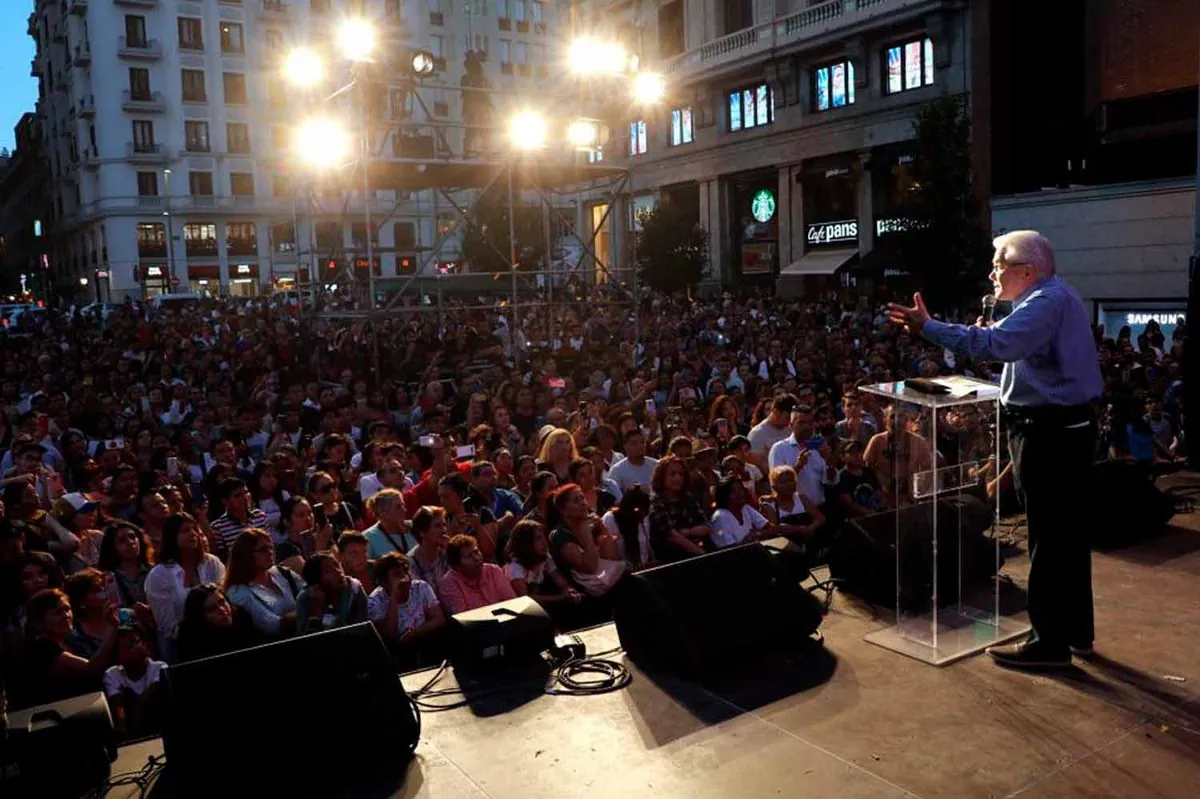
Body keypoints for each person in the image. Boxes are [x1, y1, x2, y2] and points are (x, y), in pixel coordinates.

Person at [888, 230, 1103, 670]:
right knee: (1065, 539)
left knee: (1047, 538)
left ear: (1027, 271)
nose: (992, 273)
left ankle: (1049, 644)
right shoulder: (1050, 298)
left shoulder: (1044, 304)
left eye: (999, 265)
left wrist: (927, 327)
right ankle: (1074, 632)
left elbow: (998, 345)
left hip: (1050, 434)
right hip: (1064, 429)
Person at [145, 513, 225, 657]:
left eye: (195, 529)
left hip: (219, 636)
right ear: (172, 536)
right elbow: (167, 625)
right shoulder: (159, 575)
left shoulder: (211, 563)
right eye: (185, 530)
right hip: (180, 645)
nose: (193, 534)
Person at [223, 528, 301, 640]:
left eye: (271, 547)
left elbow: (309, 592)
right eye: (263, 550)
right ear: (246, 555)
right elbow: (274, 625)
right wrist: (307, 610)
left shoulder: (282, 573)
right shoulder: (238, 592)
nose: (270, 552)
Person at [367, 552, 446, 653]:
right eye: (397, 574)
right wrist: (394, 597)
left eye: (406, 571)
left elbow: (439, 619)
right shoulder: (375, 601)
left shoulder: (421, 587)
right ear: (384, 582)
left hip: (426, 641)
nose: (405, 577)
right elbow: (390, 635)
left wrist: (416, 632)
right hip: (396, 651)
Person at [102, 626, 167, 739]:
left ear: (146, 646)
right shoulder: (112, 674)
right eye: (124, 647)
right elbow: (118, 706)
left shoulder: (160, 667)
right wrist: (122, 724)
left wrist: (136, 712)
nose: (131, 649)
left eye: (134, 643)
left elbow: (152, 692)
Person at [504, 520, 580, 606]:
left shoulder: (544, 559)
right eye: (538, 538)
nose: (544, 542)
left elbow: (561, 582)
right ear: (526, 543)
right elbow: (525, 598)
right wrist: (560, 597)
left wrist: (570, 591)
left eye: (544, 537)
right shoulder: (515, 567)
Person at [175, 584, 259, 662]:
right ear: (199, 615)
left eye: (222, 602)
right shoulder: (191, 639)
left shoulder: (241, 618)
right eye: (212, 609)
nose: (222, 610)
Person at [438, 533, 516, 614]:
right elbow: (464, 618)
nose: (476, 558)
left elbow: (513, 602)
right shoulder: (448, 583)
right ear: (457, 566)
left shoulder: (493, 570)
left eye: (476, 552)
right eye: (469, 556)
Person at [296, 552, 368, 632]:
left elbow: (366, 626)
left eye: (337, 565)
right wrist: (315, 614)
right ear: (317, 580)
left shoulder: (354, 588)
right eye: (327, 571)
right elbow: (307, 639)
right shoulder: (306, 598)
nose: (338, 571)